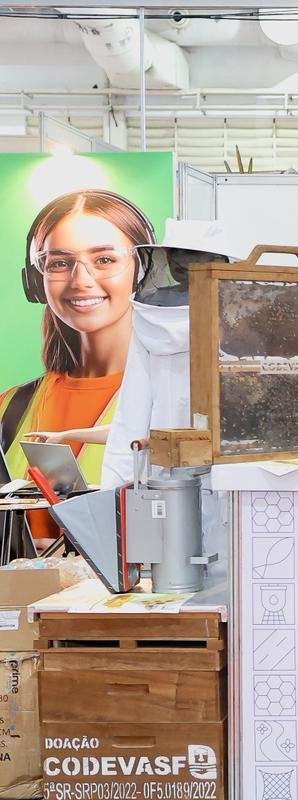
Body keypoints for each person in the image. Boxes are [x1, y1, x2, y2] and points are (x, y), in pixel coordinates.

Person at [0, 189, 155, 545]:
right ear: (35, 281)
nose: (81, 280)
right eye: (59, 263)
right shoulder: (10, 407)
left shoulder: (169, 396)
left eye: (104, 259)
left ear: (143, 271)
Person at [101, 218, 236, 488]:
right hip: (229, 461)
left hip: (166, 464)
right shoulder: (237, 313)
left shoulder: (149, 318)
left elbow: (132, 409)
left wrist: (118, 482)